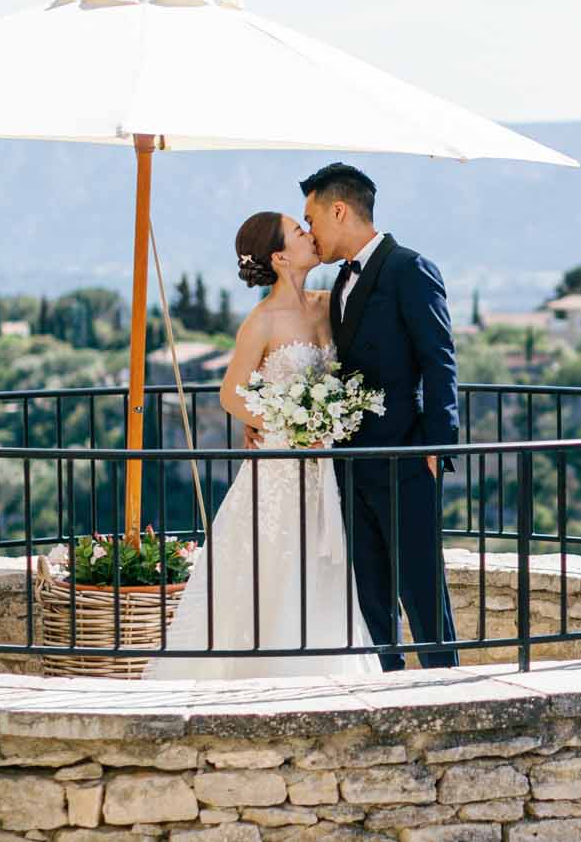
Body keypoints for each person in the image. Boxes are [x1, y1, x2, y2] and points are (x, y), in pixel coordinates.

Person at [142, 210, 384, 682]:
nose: (310, 235)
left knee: (323, 564)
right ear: (279, 257)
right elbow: (232, 393)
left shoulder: (327, 303)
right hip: (278, 466)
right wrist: (288, 426)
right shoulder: (262, 321)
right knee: (273, 566)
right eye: (299, 232)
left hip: (324, 468)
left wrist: (326, 420)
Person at [298, 162, 459, 672]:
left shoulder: (409, 268)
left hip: (406, 458)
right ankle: (389, 692)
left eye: (312, 217)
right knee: (371, 594)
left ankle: (447, 693)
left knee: (422, 593)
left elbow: (440, 360)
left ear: (339, 210)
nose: (310, 232)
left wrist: (437, 448)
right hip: (351, 461)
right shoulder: (342, 282)